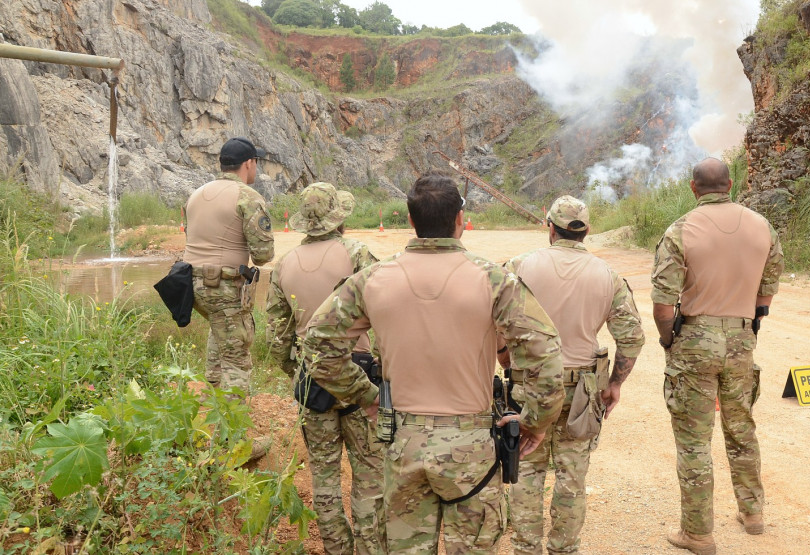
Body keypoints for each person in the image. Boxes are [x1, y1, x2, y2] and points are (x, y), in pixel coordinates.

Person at [301, 170, 565, 554]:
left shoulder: (371, 279)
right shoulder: (495, 280)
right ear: (460, 220)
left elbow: (317, 346)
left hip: (402, 442)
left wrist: (367, 397)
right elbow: (546, 356)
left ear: (410, 221)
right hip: (471, 449)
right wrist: (535, 421)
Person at [651, 158, 784, 555]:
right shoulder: (763, 227)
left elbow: (662, 306)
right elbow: (767, 290)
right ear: (731, 184)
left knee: (694, 440)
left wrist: (669, 340)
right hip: (741, 338)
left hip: (694, 338)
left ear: (694, 188)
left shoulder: (680, 231)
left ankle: (698, 533)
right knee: (741, 428)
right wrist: (750, 325)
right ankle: (752, 513)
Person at [500, 195, 645, 555]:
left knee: (525, 473)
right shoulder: (608, 275)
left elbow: (493, 326)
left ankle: (525, 548)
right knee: (572, 476)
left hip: (529, 383)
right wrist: (614, 384)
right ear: (587, 231)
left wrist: (507, 361)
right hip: (583, 390)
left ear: (549, 227)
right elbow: (632, 336)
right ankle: (564, 549)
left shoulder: (517, 267)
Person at [266, 182, 385, 555]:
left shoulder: (283, 264)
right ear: (339, 217)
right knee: (369, 476)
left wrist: (296, 370)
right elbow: (386, 310)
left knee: (324, 478)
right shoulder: (357, 253)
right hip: (358, 374)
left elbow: (276, 334)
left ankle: (337, 548)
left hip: (311, 377)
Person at [183, 136, 274, 458]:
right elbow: (263, 255)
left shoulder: (197, 194)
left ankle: (215, 414)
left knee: (219, 338)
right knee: (237, 357)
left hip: (191, 286)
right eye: (256, 163)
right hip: (223, 286)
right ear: (248, 164)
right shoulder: (247, 196)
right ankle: (234, 444)